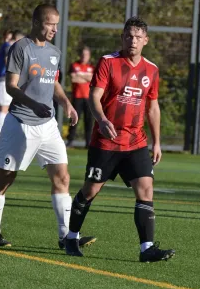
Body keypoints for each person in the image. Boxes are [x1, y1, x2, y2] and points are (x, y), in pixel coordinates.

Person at [65, 16, 175, 263]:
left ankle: (146, 248)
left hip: (136, 141)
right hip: (106, 141)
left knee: (146, 189)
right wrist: (102, 120)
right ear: (122, 37)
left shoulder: (152, 69)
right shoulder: (108, 62)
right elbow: (94, 96)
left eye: (137, 37)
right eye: (128, 36)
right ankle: (71, 237)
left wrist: (157, 142)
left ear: (145, 40)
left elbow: (153, 107)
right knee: (91, 190)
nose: (132, 40)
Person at [0, 4, 95, 249]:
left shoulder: (54, 52)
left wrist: (67, 104)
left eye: (57, 24)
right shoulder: (20, 48)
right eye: (50, 24)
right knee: (5, 178)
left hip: (47, 126)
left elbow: (54, 82)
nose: (54, 29)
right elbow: (11, 87)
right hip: (21, 123)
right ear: (36, 22)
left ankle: (67, 237)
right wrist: (33, 103)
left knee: (62, 177)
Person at [66, 46, 94, 148]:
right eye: (82, 54)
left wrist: (80, 75)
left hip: (88, 98)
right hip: (77, 97)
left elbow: (93, 79)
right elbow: (74, 79)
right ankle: (70, 141)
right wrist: (87, 78)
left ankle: (88, 143)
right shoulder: (74, 65)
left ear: (89, 56)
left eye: (86, 54)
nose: (84, 56)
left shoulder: (92, 67)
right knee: (74, 119)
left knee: (89, 121)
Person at [0, 29, 16, 143]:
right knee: (4, 107)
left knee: (3, 107)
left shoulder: (5, 45)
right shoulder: (7, 46)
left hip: (1, 79)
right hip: (3, 79)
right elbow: (8, 61)